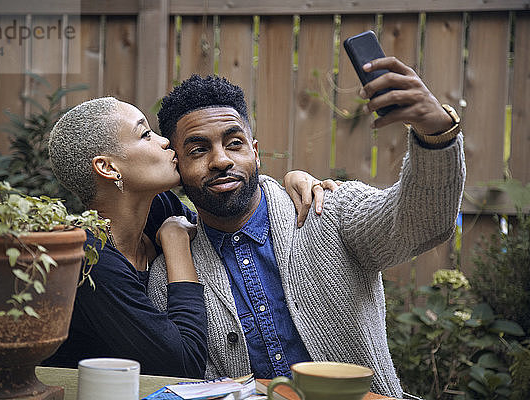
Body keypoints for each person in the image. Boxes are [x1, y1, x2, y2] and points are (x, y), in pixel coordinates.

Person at [147, 56, 466, 397]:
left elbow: (422, 222)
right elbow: (192, 385)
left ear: (256, 152)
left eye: (234, 143)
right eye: (198, 150)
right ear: (177, 167)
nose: (222, 160)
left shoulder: (327, 210)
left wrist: (435, 132)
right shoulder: (173, 277)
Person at [44, 97, 338, 378]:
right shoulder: (91, 260)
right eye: (145, 134)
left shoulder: (156, 209)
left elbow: (223, 212)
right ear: (108, 168)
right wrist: (176, 246)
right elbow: (183, 365)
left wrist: (286, 185)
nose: (165, 142)